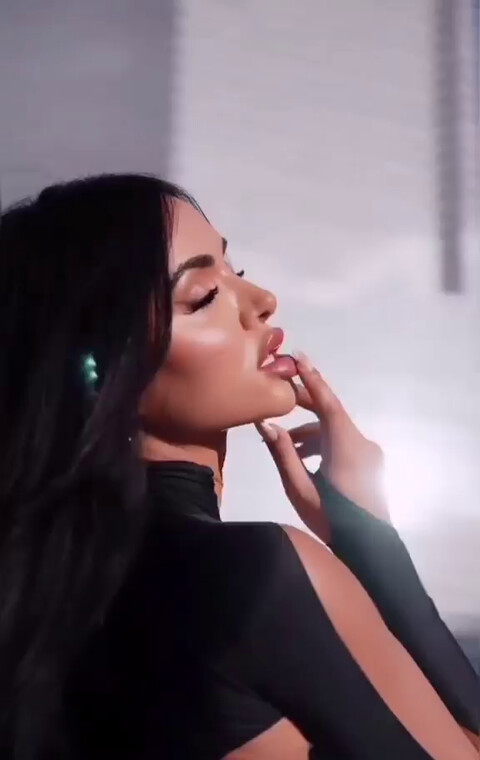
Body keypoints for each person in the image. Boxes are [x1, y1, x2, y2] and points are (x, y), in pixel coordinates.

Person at [0, 174, 477, 760]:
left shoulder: (56, 609)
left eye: (236, 271)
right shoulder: (256, 579)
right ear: (104, 370)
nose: (262, 300)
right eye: (203, 296)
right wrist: (371, 540)